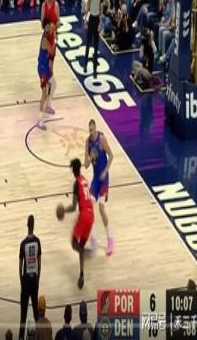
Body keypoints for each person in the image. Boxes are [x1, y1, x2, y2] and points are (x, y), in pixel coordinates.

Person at [84, 119, 114, 255]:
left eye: (93, 129)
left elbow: (111, 155)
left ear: (95, 128)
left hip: (104, 178)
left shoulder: (101, 139)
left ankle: (110, 239)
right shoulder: (87, 142)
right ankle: (91, 239)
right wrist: (90, 158)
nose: (91, 132)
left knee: (101, 208)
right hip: (96, 179)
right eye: (89, 130)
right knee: (89, 207)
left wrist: (105, 171)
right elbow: (86, 165)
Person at [64, 158, 95, 289]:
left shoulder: (76, 183)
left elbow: (73, 207)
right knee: (81, 244)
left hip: (84, 215)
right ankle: (81, 273)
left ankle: (85, 252)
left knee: (74, 243)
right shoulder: (85, 180)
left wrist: (63, 210)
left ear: (72, 169)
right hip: (91, 215)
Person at [18, 215, 41, 340]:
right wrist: (37, 279)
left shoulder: (23, 243)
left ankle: (21, 337)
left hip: (26, 279)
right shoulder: (37, 242)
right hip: (34, 279)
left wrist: (21, 282)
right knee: (36, 313)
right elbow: (39, 264)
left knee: (23, 313)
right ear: (34, 226)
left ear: (27, 225)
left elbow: (20, 266)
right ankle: (39, 337)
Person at [40, 0, 59, 114]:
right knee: (48, 73)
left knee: (51, 70)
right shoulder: (44, 5)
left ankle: (48, 102)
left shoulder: (56, 5)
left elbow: (58, 21)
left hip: (53, 37)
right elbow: (42, 22)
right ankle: (45, 94)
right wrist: (49, 28)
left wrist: (54, 28)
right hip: (48, 38)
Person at [36, 19, 56, 130]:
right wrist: (55, 41)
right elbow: (51, 51)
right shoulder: (45, 39)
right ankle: (39, 120)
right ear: (45, 28)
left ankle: (48, 106)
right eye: (48, 27)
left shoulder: (48, 36)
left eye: (50, 27)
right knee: (44, 93)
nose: (49, 29)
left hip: (46, 67)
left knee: (53, 84)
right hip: (42, 69)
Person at [84, 0, 102, 78]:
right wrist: (85, 17)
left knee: (96, 44)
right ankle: (85, 63)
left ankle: (95, 66)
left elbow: (101, 7)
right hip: (91, 19)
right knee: (88, 43)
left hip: (97, 19)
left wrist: (100, 22)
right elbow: (88, 5)